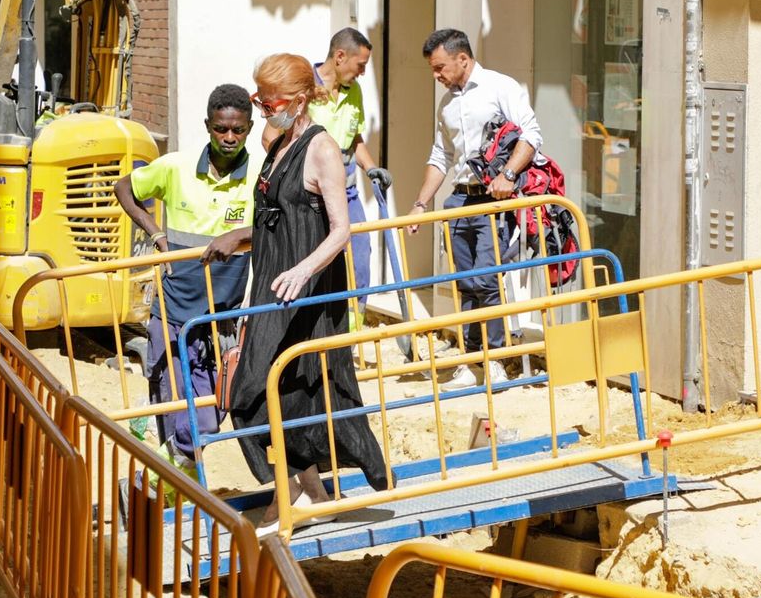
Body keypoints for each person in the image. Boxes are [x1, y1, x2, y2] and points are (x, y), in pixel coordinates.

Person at [204, 53, 389, 525]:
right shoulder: (277, 143)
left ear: (301, 100)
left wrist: (303, 271)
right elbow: (277, 220)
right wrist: (242, 241)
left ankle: (294, 496)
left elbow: (341, 229)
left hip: (306, 290)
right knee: (270, 391)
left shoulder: (321, 148)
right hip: (273, 286)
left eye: (272, 104)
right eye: (261, 102)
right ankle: (308, 493)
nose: (266, 112)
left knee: (267, 389)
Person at [112, 84, 256, 468]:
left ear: (249, 128)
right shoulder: (176, 166)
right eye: (221, 129)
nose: (229, 138)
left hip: (220, 319)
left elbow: (278, 226)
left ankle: (153, 480)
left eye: (238, 130)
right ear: (208, 126)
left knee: (209, 415)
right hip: (172, 312)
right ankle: (163, 484)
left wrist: (241, 235)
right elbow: (124, 187)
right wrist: (154, 233)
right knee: (180, 411)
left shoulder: (260, 175)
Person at [405, 28, 545, 388]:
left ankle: (494, 360)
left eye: (439, 68)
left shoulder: (500, 87)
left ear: (462, 59)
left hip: (494, 200)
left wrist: (508, 174)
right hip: (459, 198)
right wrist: (420, 204)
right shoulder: (447, 104)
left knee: (486, 280)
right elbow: (441, 156)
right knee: (464, 283)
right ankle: (470, 361)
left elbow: (531, 134)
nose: (436, 76)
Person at [306, 28, 391, 324]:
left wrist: (371, 168)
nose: (363, 73)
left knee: (360, 257)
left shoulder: (354, 91)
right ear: (340, 56)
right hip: (312, 197)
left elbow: (355, 139)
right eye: (361, 65)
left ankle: (352, 331)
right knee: (317, 261)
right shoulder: (304, 86)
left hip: (348, 193)